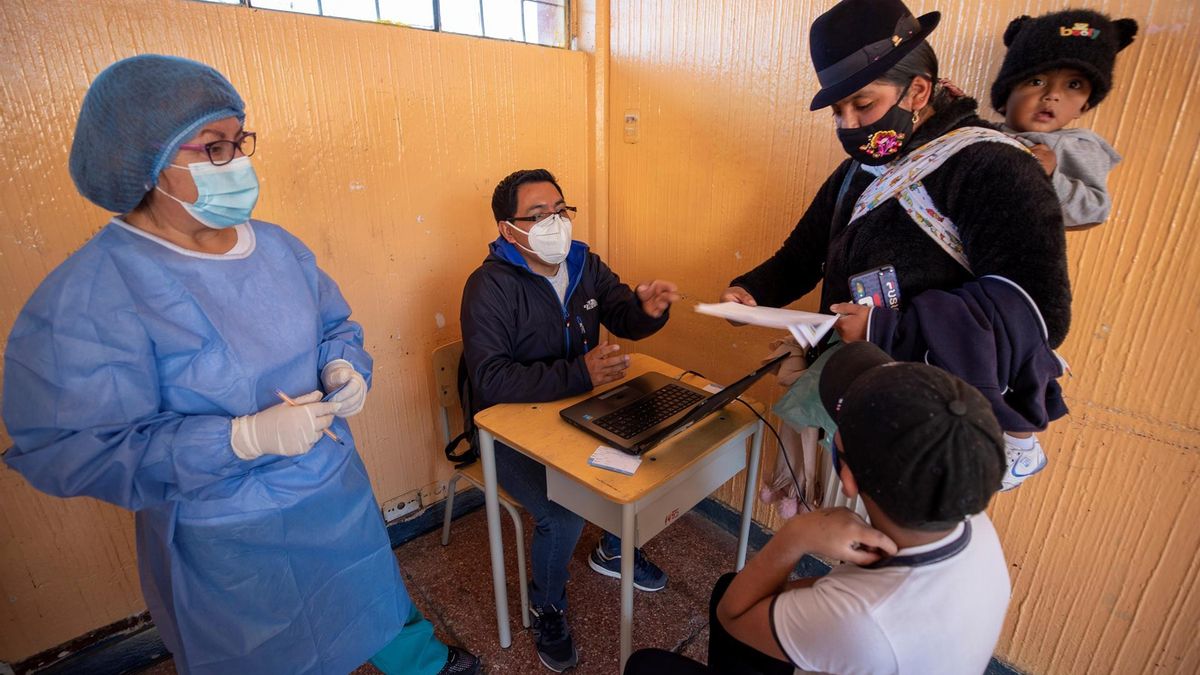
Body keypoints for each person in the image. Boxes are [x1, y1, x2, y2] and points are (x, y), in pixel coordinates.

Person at [1, 55, 478, 675]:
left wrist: (342, 367)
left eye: (240, 142)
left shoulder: (276, 247)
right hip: (227, 536)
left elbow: (335, 326)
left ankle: (421, 663)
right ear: (146, 164)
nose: (238, 163)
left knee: (369, 592)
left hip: (332, 490)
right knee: (264, 650)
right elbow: (72, 447)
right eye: (214, 148)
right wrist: (240, 438)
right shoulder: (94, 292)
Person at [720, 0, 1071, 492]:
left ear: (918, 90)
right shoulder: (860, 171)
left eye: (862, 105)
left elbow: (1038, 316)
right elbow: (802, 256)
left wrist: (890, 328)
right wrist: (751, 294)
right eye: (838, 111)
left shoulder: (992, 166)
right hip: (857, 394)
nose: (848, 125)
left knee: (893, 544)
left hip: (931, 417)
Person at [624, 341, 1011, 675]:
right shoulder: (967, 517)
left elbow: (733, 616)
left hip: (862, 640)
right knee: (731, 586)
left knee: (646, 666)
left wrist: (797, 534)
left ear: (849, 477)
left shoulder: (865, 621)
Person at [460, 168, 679, 672]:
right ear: (507, 228)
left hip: (578, 412)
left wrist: (646, 310)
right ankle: (547, 604)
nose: (554, 223)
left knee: (643, 453)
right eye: (537, 216)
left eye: (559, 210)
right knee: (562, 511)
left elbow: (623, 314)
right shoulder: (489, 286)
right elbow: (490, 380)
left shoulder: (584, 264)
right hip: (506, 431)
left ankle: (612, 549)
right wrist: (579, 373)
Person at [992, 9, 1139, 230]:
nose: (1053, 95)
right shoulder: (978, 131)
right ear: (1005, 99)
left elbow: (1093, 212)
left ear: (1084, 106)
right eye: (1036, 81)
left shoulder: (1077, 147)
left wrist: (1051, 176)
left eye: (1074, 85)